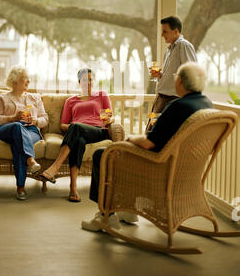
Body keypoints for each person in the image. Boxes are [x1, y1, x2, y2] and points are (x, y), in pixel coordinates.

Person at [82, 62, 213, 231]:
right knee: (122, 155)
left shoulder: (177, 106)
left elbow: (148, 143)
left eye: (175, 78)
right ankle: (128, 210)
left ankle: (105, 216)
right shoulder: (206, 104)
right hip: (187, 168)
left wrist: (130, 138)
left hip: (160, 168)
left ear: (180, 81)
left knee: (103, 154)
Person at [40, 68, 114, 203]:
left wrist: (109, 120)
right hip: (78, 132)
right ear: (79, 82)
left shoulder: (102, 95)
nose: (88, 82)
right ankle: (73, 188)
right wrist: (76, 128)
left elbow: (111, 118)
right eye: (85, 79)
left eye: (91, 79)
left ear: (94, 81)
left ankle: (54, 167)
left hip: (97, 131)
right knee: (78, 141)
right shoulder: (71, 101)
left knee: (76, 126)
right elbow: (63, 125)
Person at [0, 65, 48, 201]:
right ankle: (30, 160)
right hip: (7, 129)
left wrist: (35, 120)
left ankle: (20, 187)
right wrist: (12, 118)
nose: (28, 81)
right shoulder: (2, 98)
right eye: (25, 78)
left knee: (19, 143)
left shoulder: (35, 98)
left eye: (29, 78)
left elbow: (45, 118)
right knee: (17, 127)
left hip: (31, 130)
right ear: (15, 81)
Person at [147, 16, 197, 130]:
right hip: (161, 98)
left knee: (158, 136)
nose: (162, 35)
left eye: (165, 31)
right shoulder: (168, 51)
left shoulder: (183, 46)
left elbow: (191, 72)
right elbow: (172, 74)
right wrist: (160, 75)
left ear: (175, 31)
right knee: (151, 133)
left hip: (172, 100)